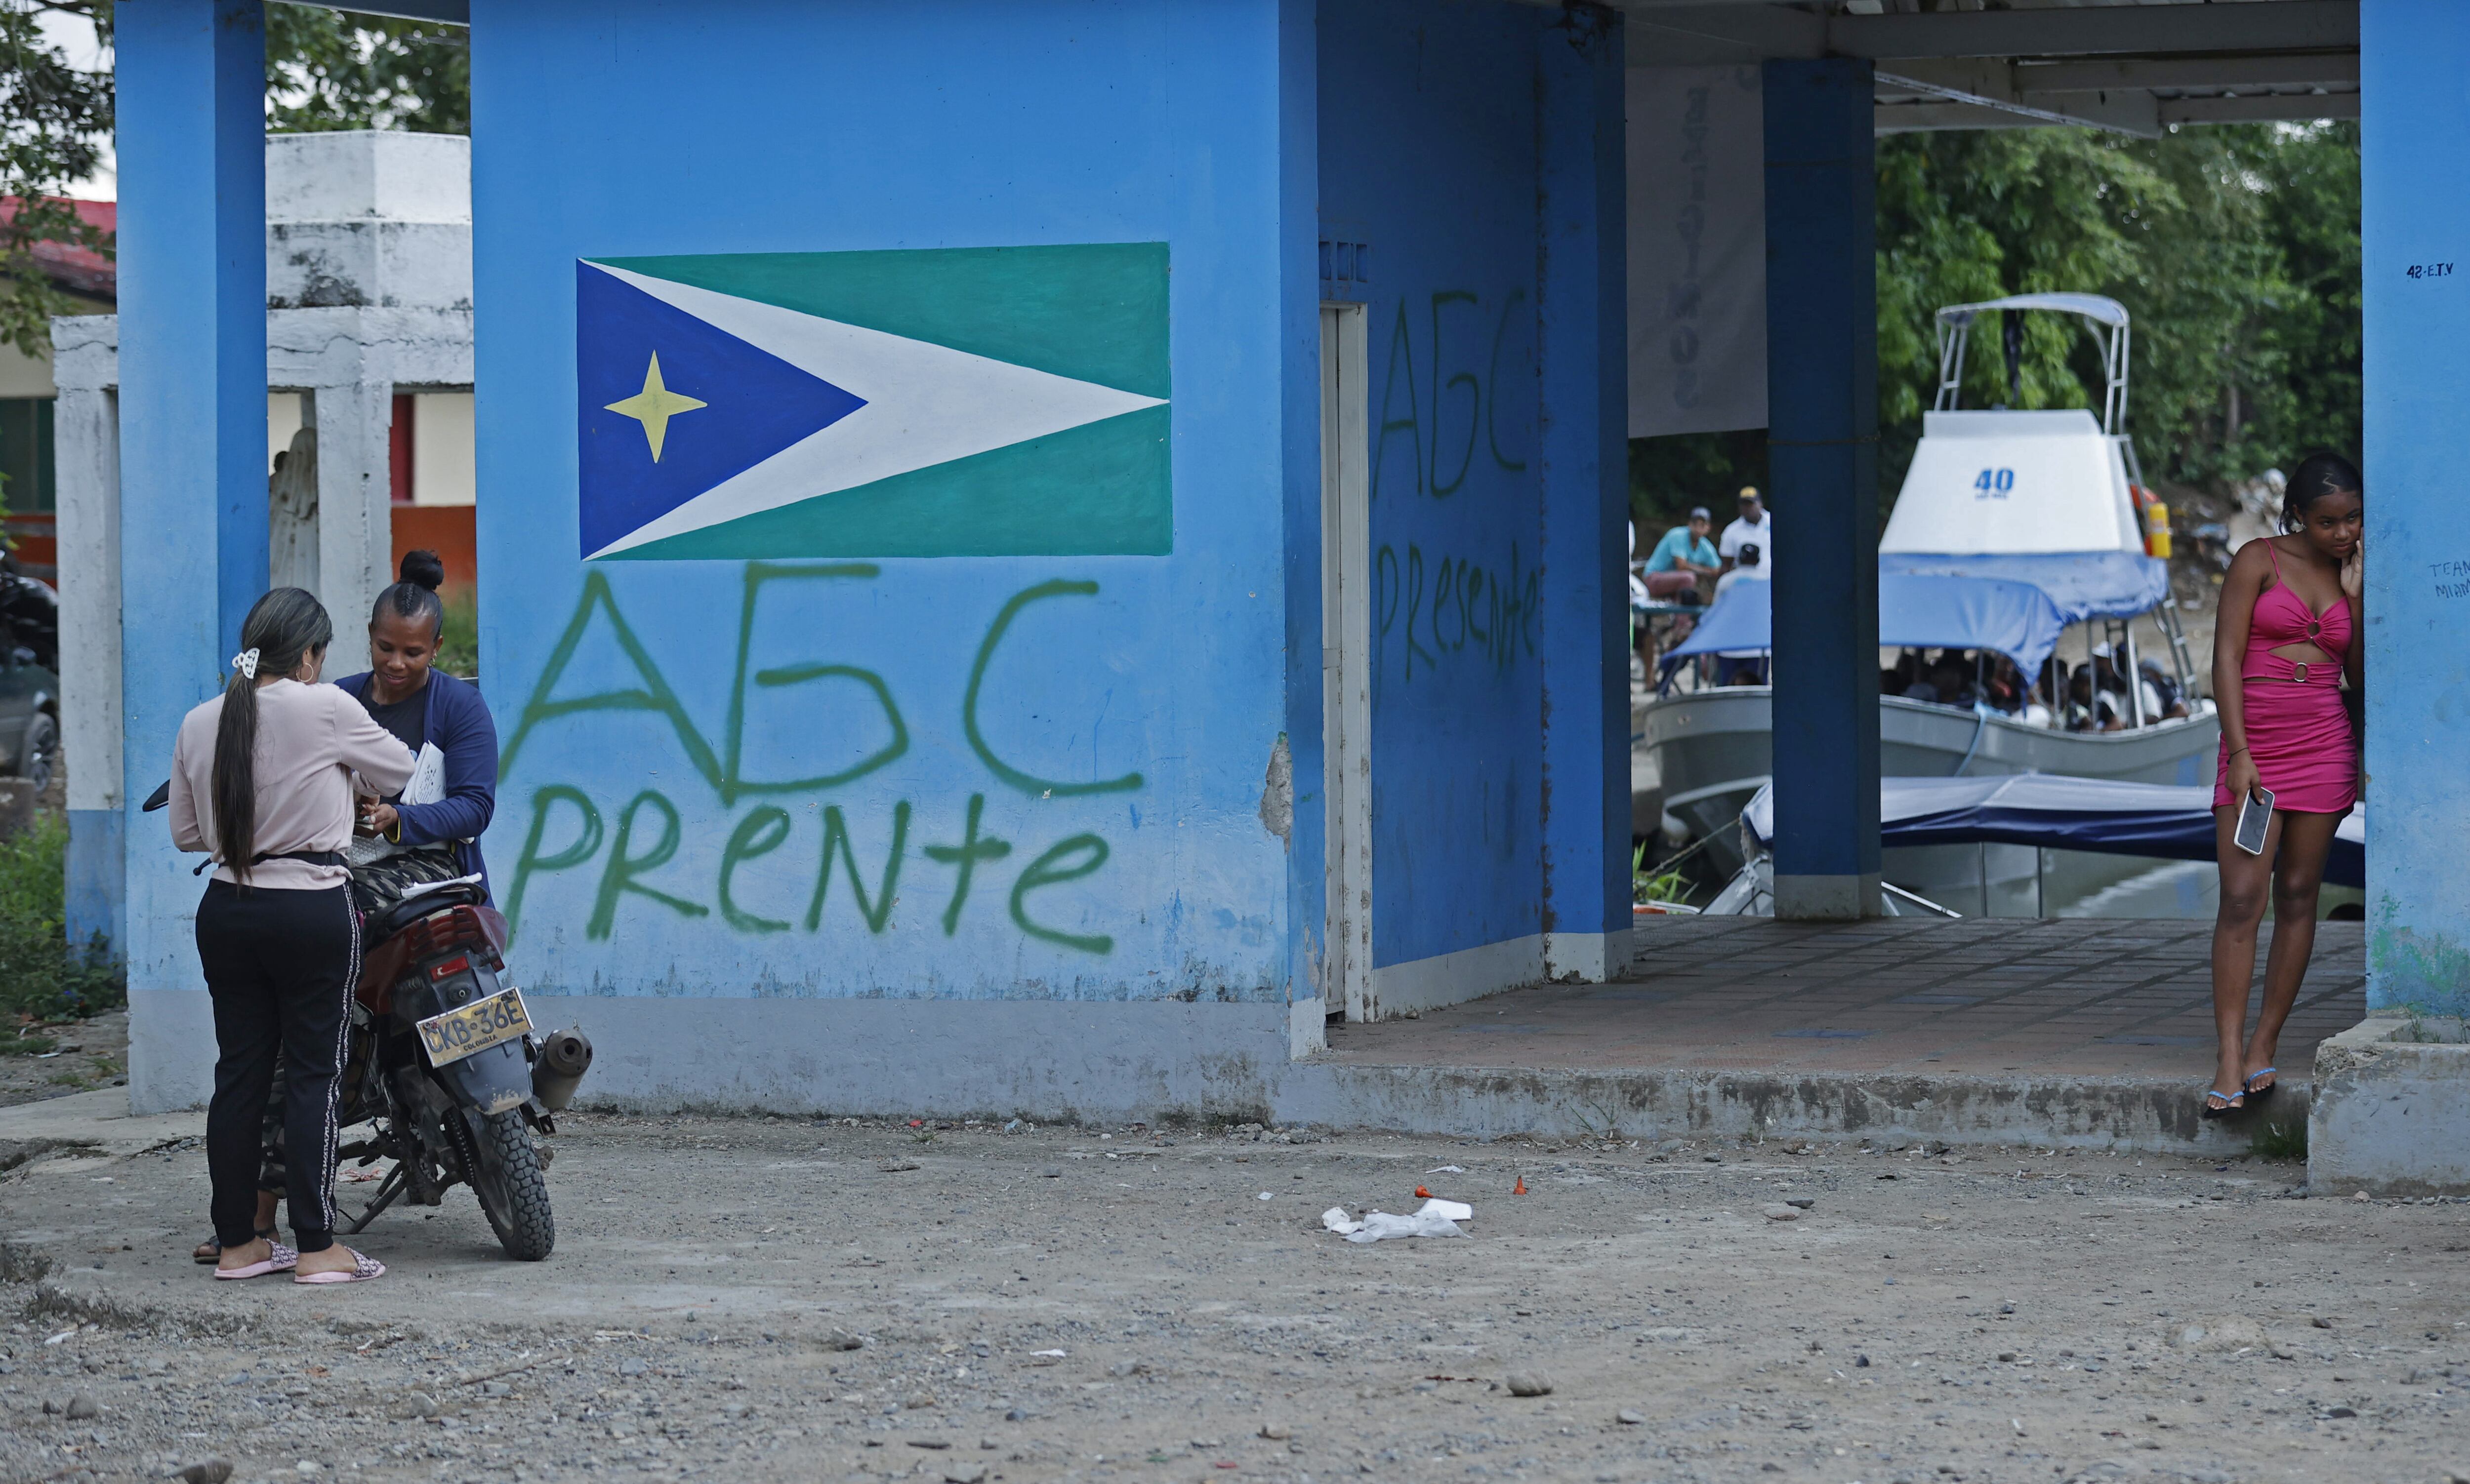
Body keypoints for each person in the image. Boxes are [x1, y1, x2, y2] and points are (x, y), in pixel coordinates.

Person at [170, 588, 413, 1283]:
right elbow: (401, 771)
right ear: (309, 657)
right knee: (315, 1075)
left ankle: (239, 1244)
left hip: (227, 910)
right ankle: (316, 1247)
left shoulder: (199, 720)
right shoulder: (328, 706)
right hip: (310, 911)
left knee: (239, 1077)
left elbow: (187, 833)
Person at [2204, 451, 2363, 1118]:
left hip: (2324, 740)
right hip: (2259, 744)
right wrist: (2239, 751)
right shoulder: (2256, 559)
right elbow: (2226, 658)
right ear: (2298, 513)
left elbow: (2359, 673)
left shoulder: (2352, 574)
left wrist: (2355, 597)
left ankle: (2267, 1039)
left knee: (2300, 893)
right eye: (2329, 521)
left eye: (2354, 518)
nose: (2343, 532)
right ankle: (2229, 1053)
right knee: (2244, 897)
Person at [334, 551, 499, 893]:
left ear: (435, 646)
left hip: (427, 872)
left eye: (413, 653)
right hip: (340, 858)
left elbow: (475, 807)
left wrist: (399, 820)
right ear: (370, 634)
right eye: (385, 647)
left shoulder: (460, 706)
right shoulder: (339, 699)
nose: (396, 663)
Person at [1642, 506, 1720, 600]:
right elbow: (1682, 566)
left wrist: (1705, 573)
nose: (1698, 529)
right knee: (1689, 578)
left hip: (1677, 583)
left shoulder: (1705, 545)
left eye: (1702, 525)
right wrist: (1706, 571)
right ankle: (1683, 613)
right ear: (1690, 524)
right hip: (1654, 578)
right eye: (1695, 524)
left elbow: (1717, 570)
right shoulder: (1678, 535)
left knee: (1704, 593)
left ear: (1708, 528)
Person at [1718, 486, 1773, 574]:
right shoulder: (1731, 531)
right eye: (1744, 504)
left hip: (1773, 581)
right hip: (1744, 582)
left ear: (1761, 504)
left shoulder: (1774, 522)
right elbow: (1726, 565)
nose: (1748, 508)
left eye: (1751, 504)